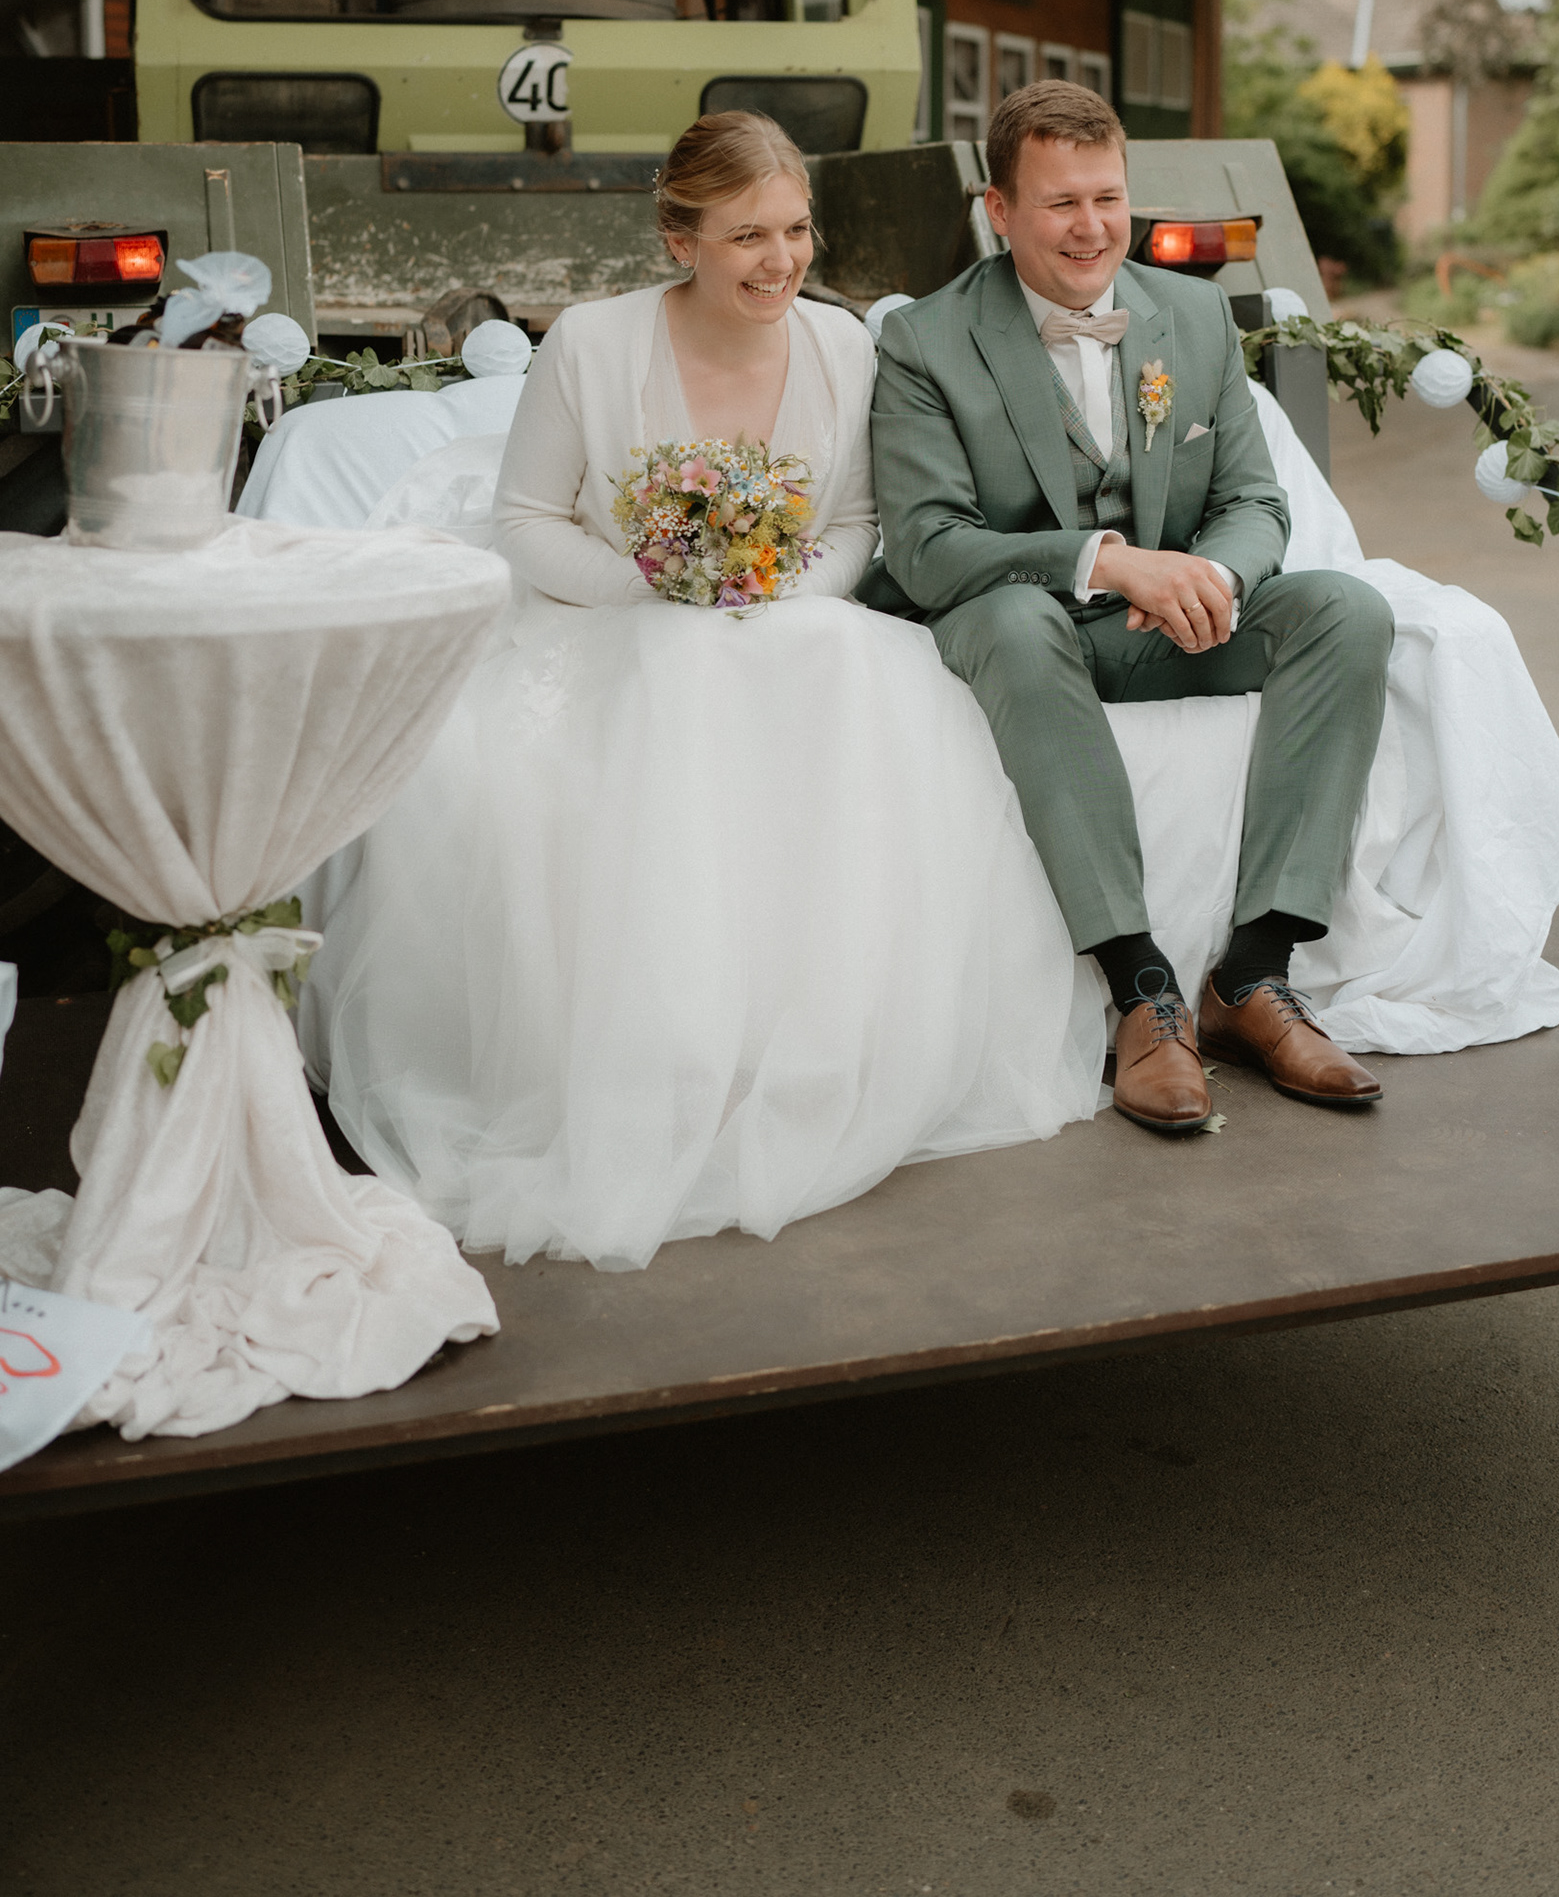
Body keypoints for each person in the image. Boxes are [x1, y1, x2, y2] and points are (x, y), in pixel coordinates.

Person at [299, 111, 1103, 1271]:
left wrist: (781, 589)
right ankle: (663, 1053)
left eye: (795, 230)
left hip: (790, 619)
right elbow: (525, 521)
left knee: (845, 667)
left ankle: (813, 1048)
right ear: (680, 239)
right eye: (745, 237)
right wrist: (650, 587)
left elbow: (862, 523)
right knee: (678, 679)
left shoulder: (844, 345)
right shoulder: (590, 341)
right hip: (612, 620)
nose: (780, 261)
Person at [863, 78, 1396, 1137]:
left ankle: (1253, 974)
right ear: (998, 209)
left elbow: (1251, 496)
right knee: (1019, 620)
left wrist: (1216, 579)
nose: (1091, 226)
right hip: (1016, 624)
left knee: (1348, 610)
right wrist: (1110, 564)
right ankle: (1141, 989)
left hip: (1161, 631)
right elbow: (926, 546)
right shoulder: (925, 339)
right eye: (1060, 202)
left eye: (1107, 197)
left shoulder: (1189, 312)